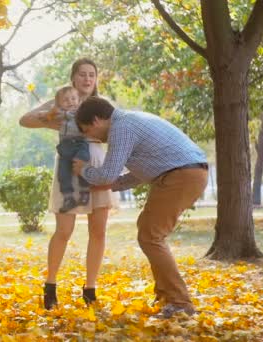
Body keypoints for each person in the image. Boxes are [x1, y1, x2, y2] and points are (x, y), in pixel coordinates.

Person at [72, 97, 208, 318]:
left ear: (97, 120)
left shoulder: (121, 127)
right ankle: (166, 297)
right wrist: (107, 186)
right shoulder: (130, 121)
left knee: (151, 236)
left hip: (181, 175)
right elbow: (138, 174)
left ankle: (180, 303)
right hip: (183, 173)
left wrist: (85, 171)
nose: (91, 137)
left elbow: (107, 172)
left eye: (87, 130)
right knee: (146, 229)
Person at [19, 58, 118, 310]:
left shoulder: (102, 103)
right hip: (68, 164)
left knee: (98, 231)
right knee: (64, 230)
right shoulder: (63, 99)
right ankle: (50, 286)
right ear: (73, 77)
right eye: (82, 74)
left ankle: (90, 289)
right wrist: (53, 119)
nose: (87, 79)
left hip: (96, 161)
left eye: (92, 75)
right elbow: (25, 119)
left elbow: (118, 131)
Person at [47, 86, 90, 212]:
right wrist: (51, 113)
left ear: (79, 101)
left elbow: (76, 116)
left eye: (73, 99)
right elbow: (48, 117)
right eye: (66, 100)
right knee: (63, 173)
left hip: (80, 143)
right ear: (59, 104)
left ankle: (84, 191)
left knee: (81, 165)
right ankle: (68, 198)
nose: (70, 102)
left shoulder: (81, 112)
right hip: (65, 146)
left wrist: (61, 113)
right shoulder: (60, 114)